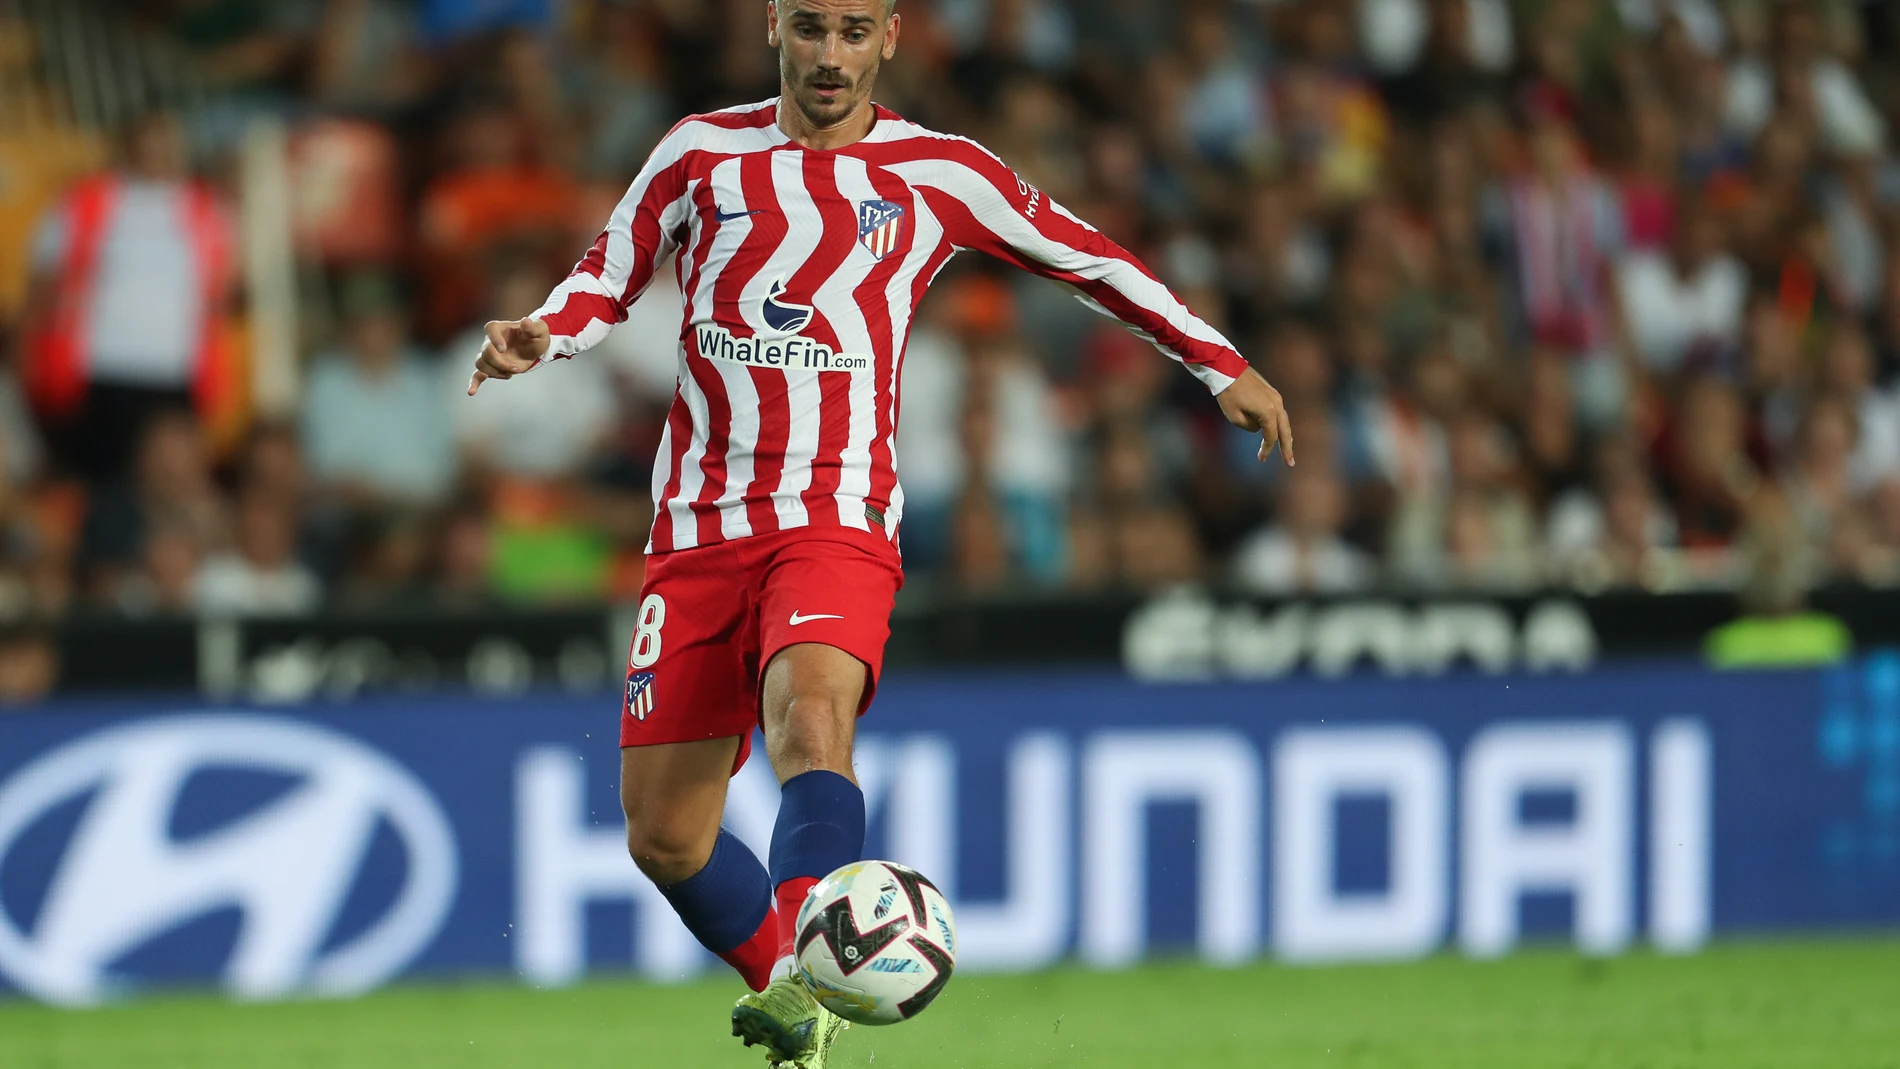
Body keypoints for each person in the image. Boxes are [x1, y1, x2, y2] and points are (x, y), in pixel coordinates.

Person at [465, 3, 1294, 1066]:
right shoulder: (699, 153)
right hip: (696, 529)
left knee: (809, 722)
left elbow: (1085, 255)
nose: (828, 54)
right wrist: (549, 332)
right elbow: (609, 272)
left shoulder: (939, 172)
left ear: (890, 38)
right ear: (774, 26)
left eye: (854, 31)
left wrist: (1218, 361)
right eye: (810, 27)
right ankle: (794, 999)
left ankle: (819, 954)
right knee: (664, 835)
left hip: (835, 515)